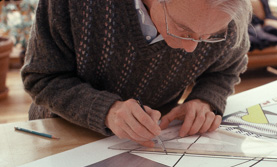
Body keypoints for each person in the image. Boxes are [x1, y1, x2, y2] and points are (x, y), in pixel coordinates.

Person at [21, 0, 252, 147]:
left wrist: (205, 99)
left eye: (209, 36)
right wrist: (106, 111)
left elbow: (228, 66)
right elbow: (41, 77)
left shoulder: (226, 17)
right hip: (61, 134)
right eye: (183, 30)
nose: (192, 48)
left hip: (148, 142)